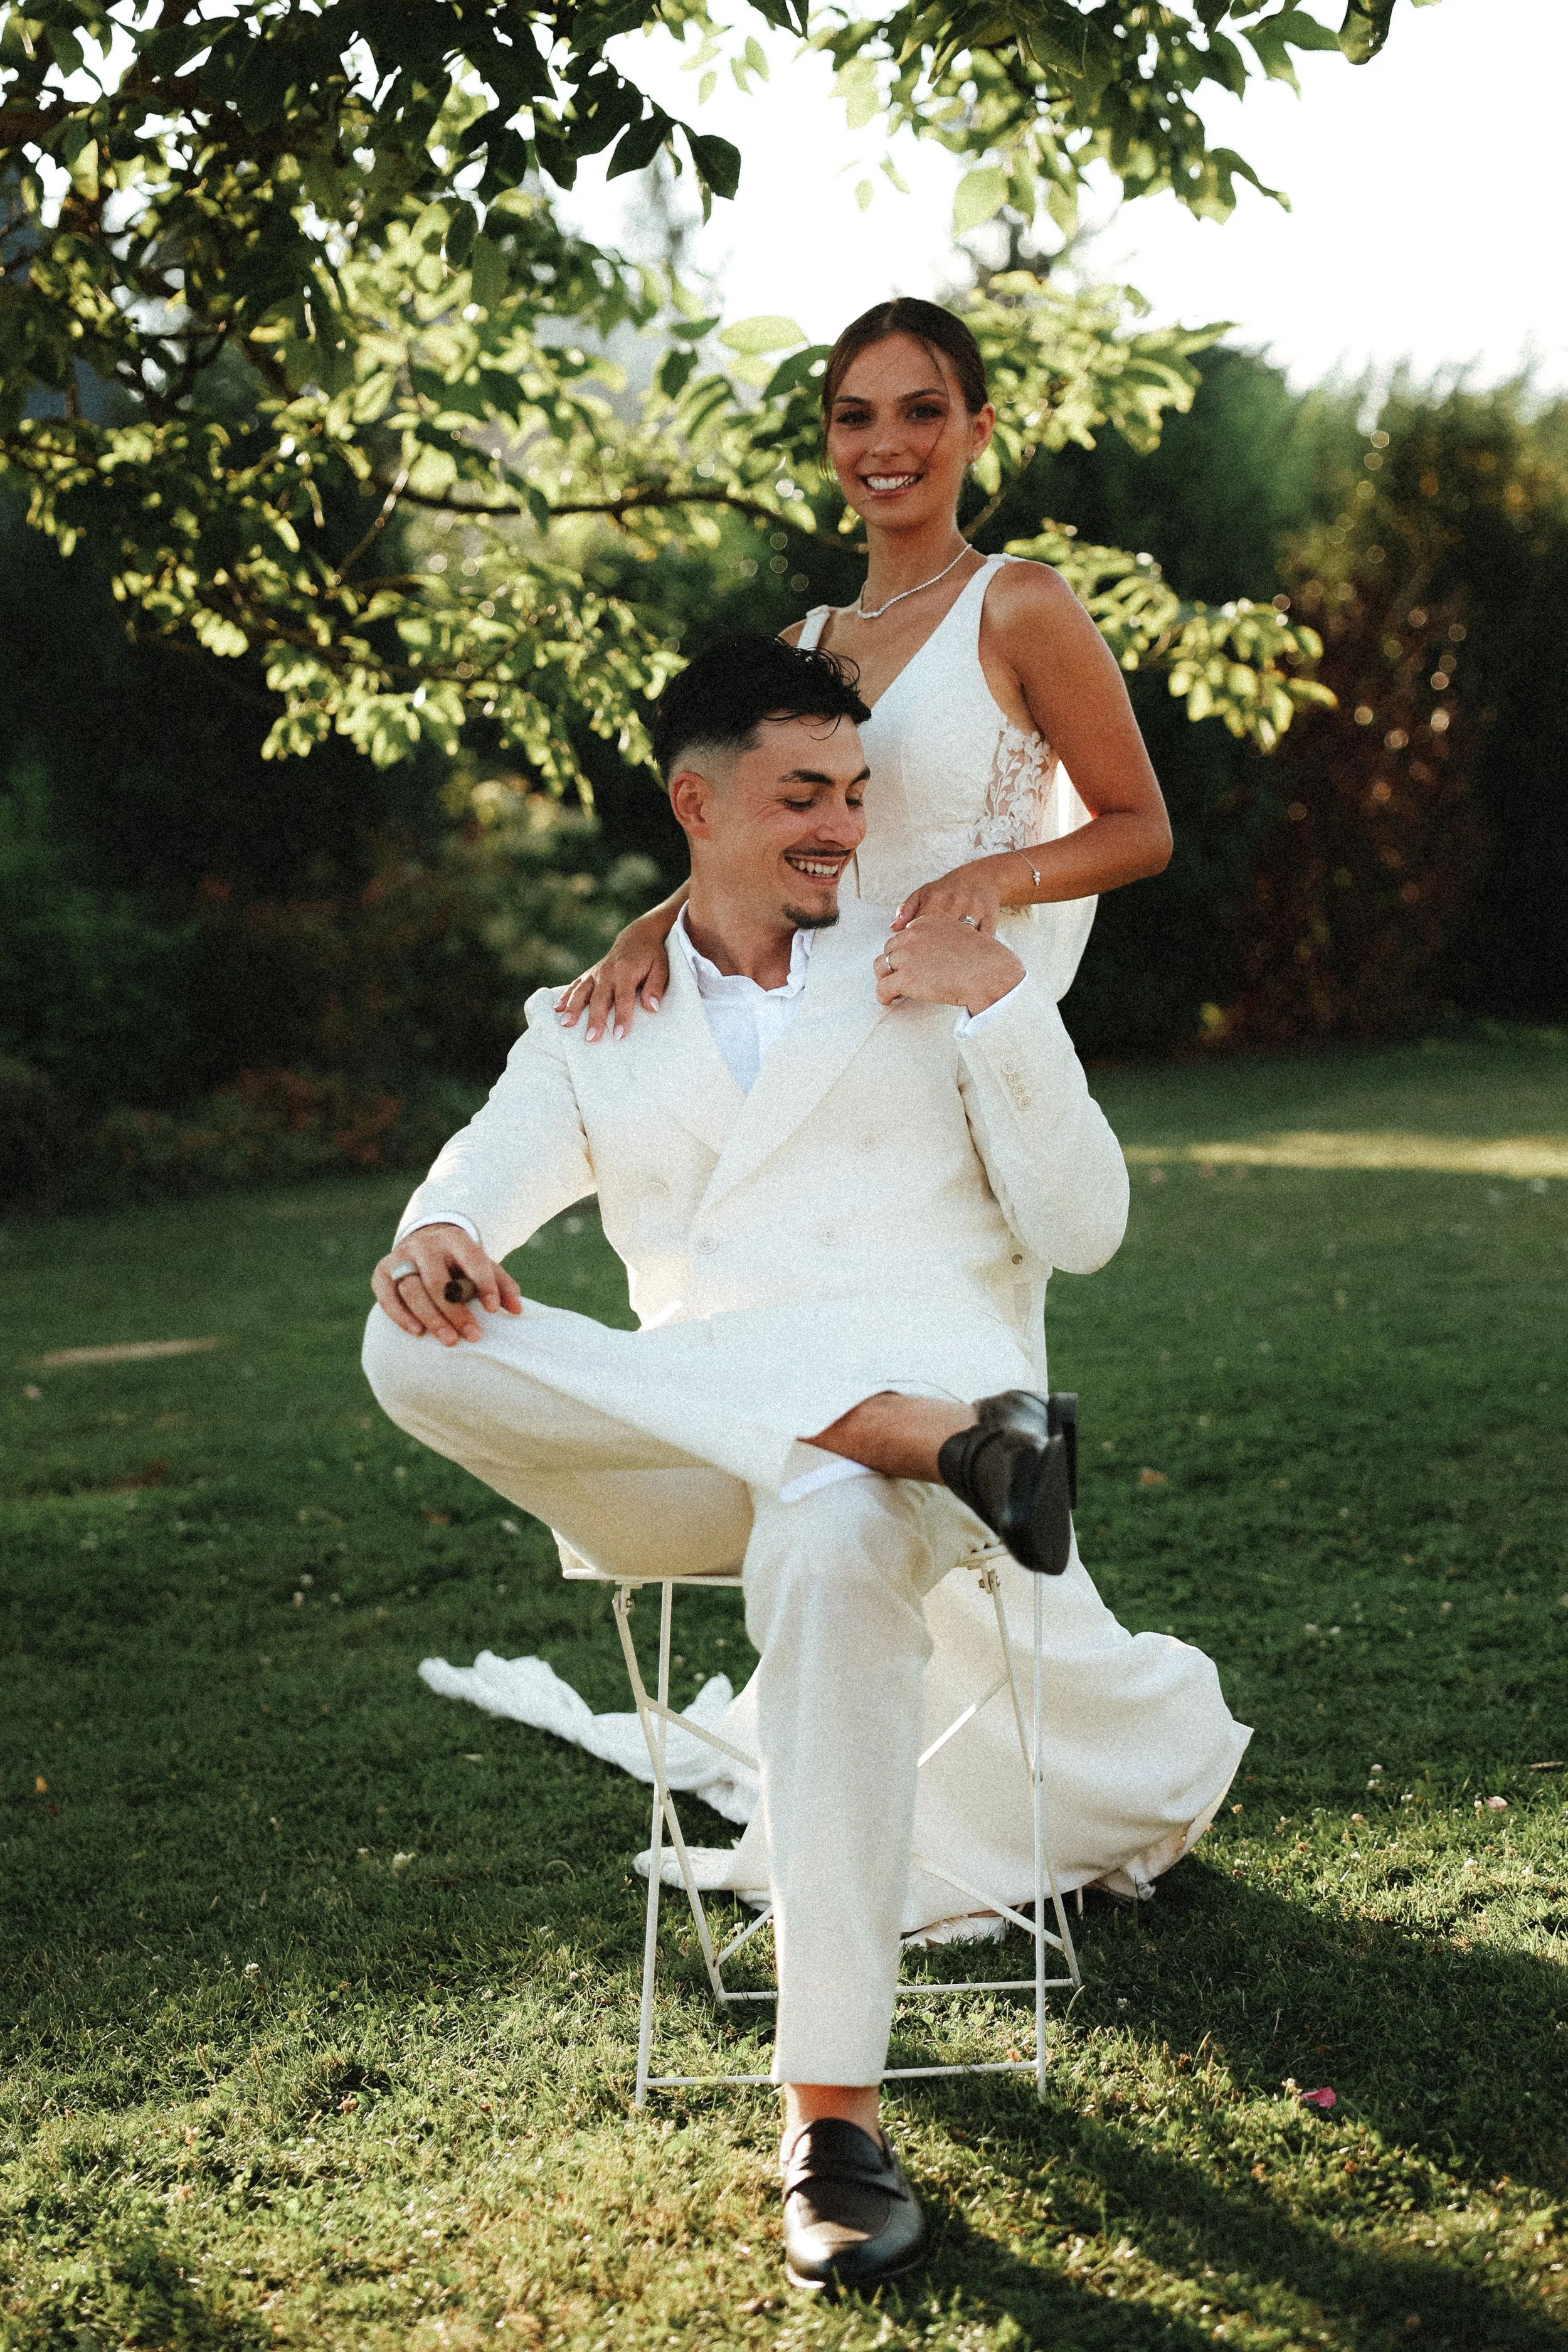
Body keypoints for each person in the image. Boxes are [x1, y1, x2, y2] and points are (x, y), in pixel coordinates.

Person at [364, 635, 1248, 2299]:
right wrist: (442, 1231)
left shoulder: (930, 964)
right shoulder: (592, 1022)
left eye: (855, 790)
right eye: (801, 796)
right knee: (401, 1330)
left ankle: (829, 2119)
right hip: (713, 1446)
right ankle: (908, 1431)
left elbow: (1088, 1227)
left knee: (835, 1524)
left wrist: (998, 1010)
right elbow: (483, 1167)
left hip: (889, 1456)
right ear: (694, 804)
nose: (845, 823)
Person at [555, 294, 1172, 1043]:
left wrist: (993, 877)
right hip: (813, 1030)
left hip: (961, 1027)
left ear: (979, 430)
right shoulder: (797, 647)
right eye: (855, 418)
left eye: (920, 412)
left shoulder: (1018, 605)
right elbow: (750, 838)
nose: (885, 445)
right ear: (828, 440)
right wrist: (650, 927)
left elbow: (1142, 830)